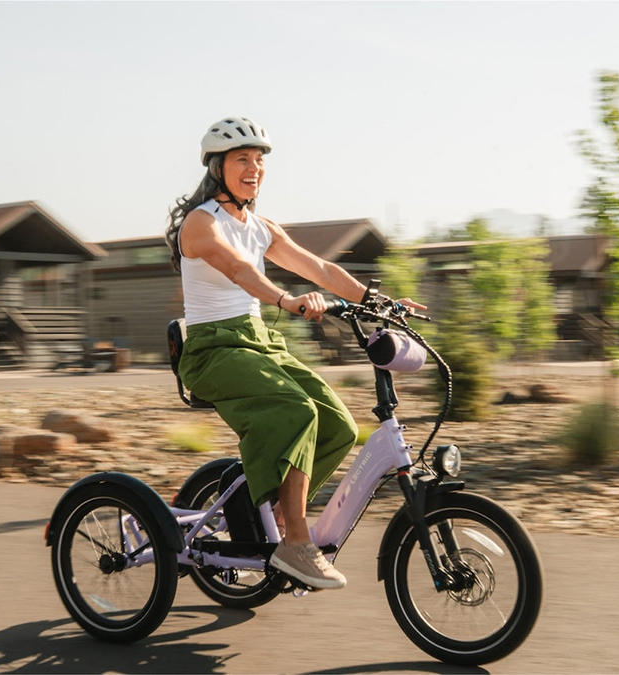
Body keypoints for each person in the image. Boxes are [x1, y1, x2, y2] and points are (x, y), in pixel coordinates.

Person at [164, 116, 424, 590]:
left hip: (258, 341)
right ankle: (295, 544)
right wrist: (285, 299)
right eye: (243, 159)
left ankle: (279, 512)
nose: (254, 169)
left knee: (339, 425)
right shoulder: (201, 223)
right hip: (211, 348)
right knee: (296, 411)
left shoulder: (261, 226)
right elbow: (240, 271)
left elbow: (320, 267)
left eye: (259, 162)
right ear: (217, 166)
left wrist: (379, 302)